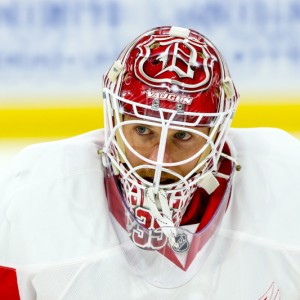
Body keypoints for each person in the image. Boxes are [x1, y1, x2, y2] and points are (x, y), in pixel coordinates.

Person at [0, 26, 300, 300]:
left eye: (183, 135)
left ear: (217, 135)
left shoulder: (288, 190)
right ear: (114, 120)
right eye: (143, 130)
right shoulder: (32, 197)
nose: (160, 159)